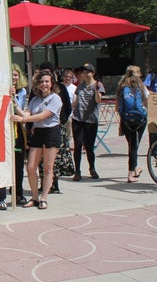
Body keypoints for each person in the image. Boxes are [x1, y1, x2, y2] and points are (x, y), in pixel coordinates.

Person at [11, 69, 62, 210]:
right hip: (38, 133)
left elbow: (42, 116)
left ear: (51, 84)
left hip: (51, 132)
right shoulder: (35, 100)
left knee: (47, 167)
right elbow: (25, 113)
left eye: (47, 81)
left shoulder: (55, 98)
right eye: (41, 82)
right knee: (31, 167)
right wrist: (13, 100)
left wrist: (23, 119)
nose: (44, 84)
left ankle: (44, 197)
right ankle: (34, 197)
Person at [0, 64, 29, 209]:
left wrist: (13, 98)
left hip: (17, 130)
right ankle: (0, 197)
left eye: (16, 75)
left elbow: (19, 111)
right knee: (2, 165)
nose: (14, 78)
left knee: (18, 164)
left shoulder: (22, 92)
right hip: (2, 130)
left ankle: (18, 193)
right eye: (11, 75)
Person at [37, 61, 72, 194]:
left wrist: (61, 120)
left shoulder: (60, 88)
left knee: (54, 159)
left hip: (56, 128)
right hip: (40, 128)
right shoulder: (36, 90)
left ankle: (54, 183)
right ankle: (44, 183)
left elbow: (67, 107)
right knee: (41, 159)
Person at [116, 65, 149, 183]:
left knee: (132, 145)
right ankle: (131, 173)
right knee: (134, 147)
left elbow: (118, 105)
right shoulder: (141, 86)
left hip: (126, 119)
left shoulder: (121, 86)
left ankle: (135, 168)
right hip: (140, 119)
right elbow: (147, 100)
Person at [71, 63, 104, 180]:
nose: (85, 74)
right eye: (84, 72)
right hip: (78, 119)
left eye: (87, 72)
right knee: (78, 145)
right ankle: (77, 171)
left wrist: (96, 90)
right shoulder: (80, 85)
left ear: (92, 73)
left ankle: (92, 168)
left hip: (91, 120)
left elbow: (98, 100)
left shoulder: (98, 85)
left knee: (89, 147)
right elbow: (76, 100)